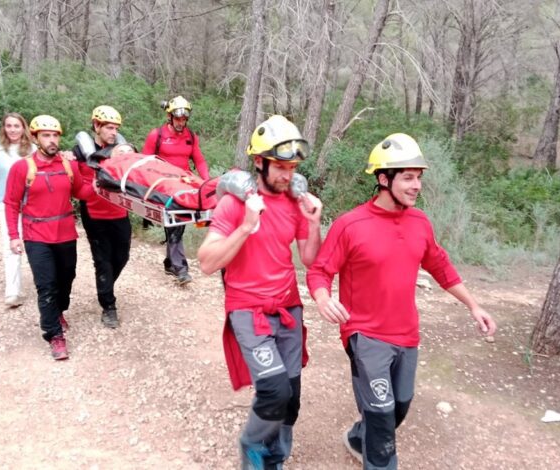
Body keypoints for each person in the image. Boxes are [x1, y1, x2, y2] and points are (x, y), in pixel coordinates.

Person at [306, 133, 497, 469]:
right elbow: (320, 270)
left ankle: (356, 437)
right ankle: (375, 451)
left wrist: (473, 305)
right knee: (381, 420)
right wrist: (322, 298)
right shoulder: (350, 225)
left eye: (419, 178)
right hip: (365, 335)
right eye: (408, 177)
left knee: (399, 408)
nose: (416, 186)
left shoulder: (420, 222)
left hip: (407, 334)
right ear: (384, 179)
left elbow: (441, 267)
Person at [197, 115, 322, 469]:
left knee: (291, 397)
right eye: (280, 166)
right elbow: (206, 263)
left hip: (288, 307)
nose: (287, 175)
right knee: (274, 390)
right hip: (248, 309)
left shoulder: (296, 204)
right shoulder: (234, 205)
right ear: (259, 161)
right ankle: (252, 447)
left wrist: (314, 224)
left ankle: (275, 455)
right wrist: (246, 227)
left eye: (292, 167)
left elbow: (310, 260)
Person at [4, 115, 93, 360]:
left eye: (55, 135)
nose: (52, 140)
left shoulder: (68, 164)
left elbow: (81, 191)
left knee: (67, 278)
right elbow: (11, 203)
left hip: (65, 233)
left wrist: (100, 185)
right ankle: (54, 335)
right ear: (34, 137)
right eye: (46, 135)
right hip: (36, 235)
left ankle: (58, 311)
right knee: (46, 286)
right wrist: (14, 236)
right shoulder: (23, 167)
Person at [72, 105, 131, 329]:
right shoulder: (80, 151)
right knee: (103, 261)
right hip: (94, 214)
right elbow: (74, 181)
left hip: (119, 211)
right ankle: (108, 306)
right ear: (96, 126)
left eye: (115, 128)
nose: (113, 132)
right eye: (108, 127)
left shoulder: (120, 149)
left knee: (122, 257)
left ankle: (104, 286)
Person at [142, 95, 210, 285]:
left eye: (184, 119)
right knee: (176, 219)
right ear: (170, 117)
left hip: (184, 183)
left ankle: (170, 262)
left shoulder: (190, 136)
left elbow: (199, 160)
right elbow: (145, 162)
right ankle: (180, 267)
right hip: (163, 183)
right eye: (178, 118)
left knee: (182, 218)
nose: (181, 122)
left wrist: (207, 182)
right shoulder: (157, 135)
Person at [0, 113, 36, 308]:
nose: (13, 129)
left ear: (23, 127)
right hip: (6, 204)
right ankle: (12, 292)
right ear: (4, 128)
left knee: (34, 246)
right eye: (9, 126)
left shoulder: (33, 149)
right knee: (11, 247)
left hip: (30, 204)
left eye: (16, 126)